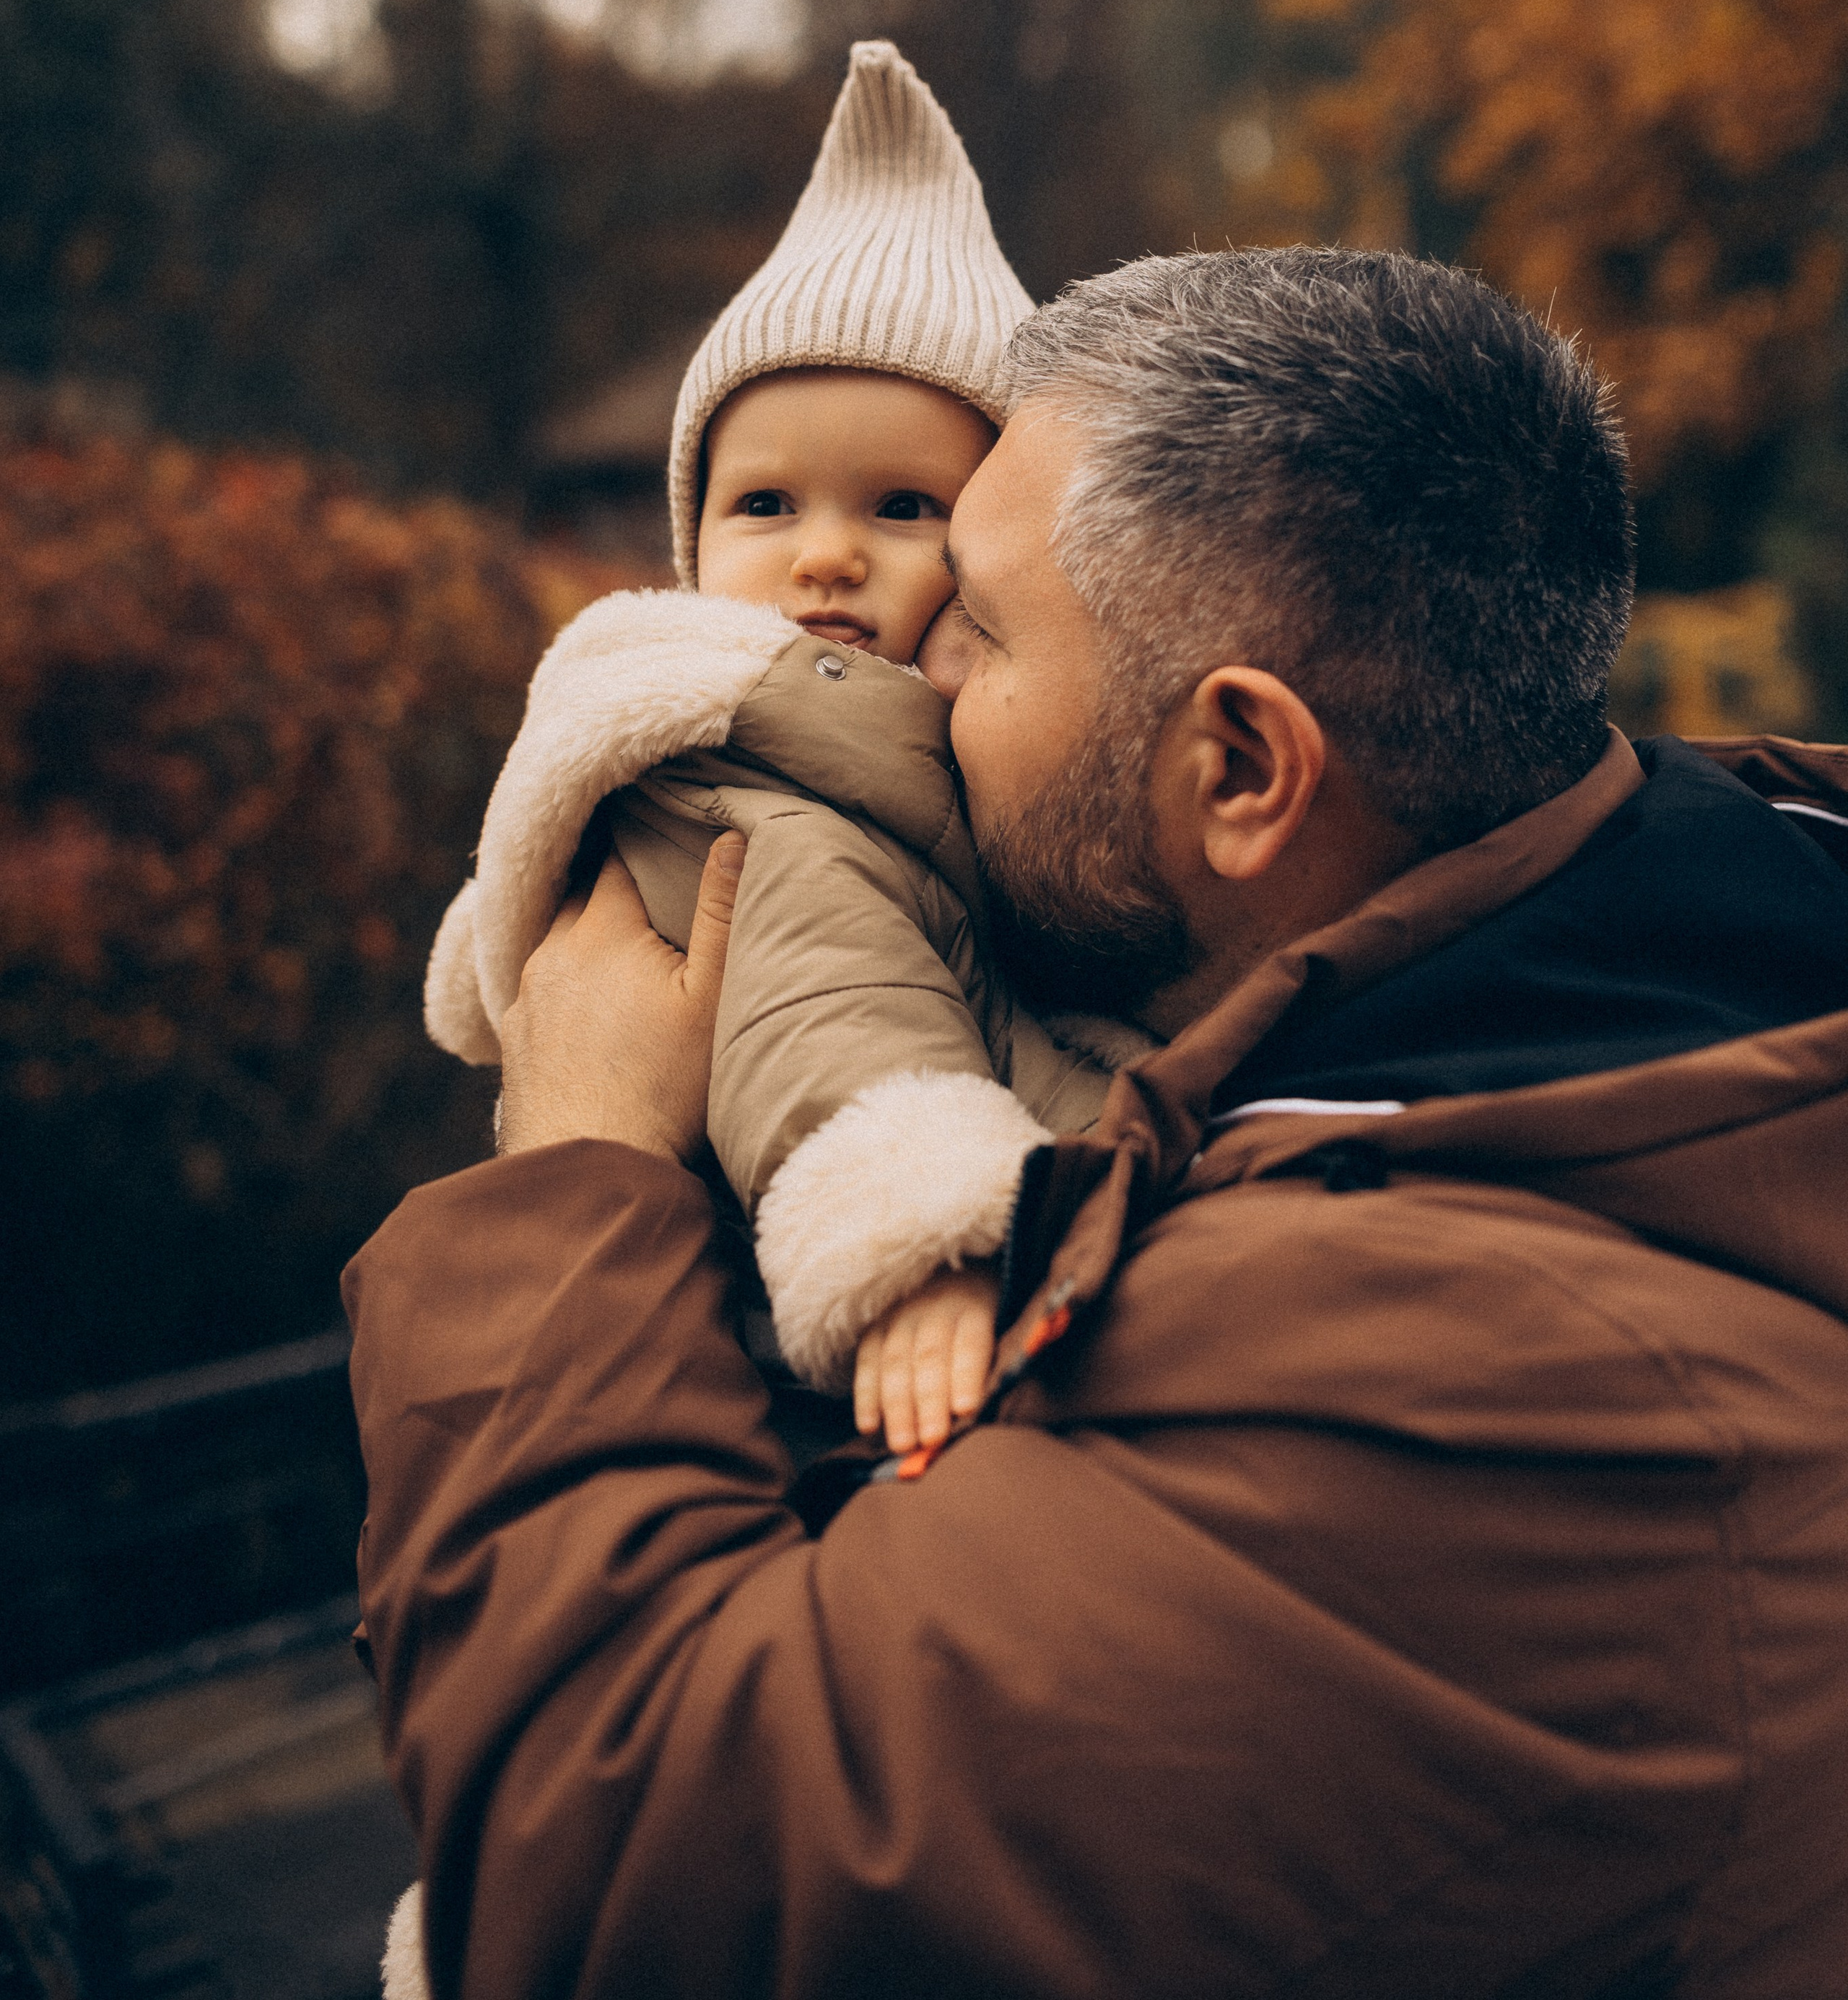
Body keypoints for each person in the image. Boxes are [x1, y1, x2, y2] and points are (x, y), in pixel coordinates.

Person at [351, 245, 1848, 2000]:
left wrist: (577, 1162)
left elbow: (625, 1874)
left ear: (1236, 772)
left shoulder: (1441, 1377)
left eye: (972, 623)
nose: (897, 647)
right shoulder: (1717, 942)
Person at [424, 38, 1118, 1427]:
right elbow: (829, 1002)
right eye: (765, 506)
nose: (825, 559)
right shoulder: (759, 787)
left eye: (902, 507)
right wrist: (917, 1243)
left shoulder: (892, 757)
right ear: (691, 541)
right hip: (782, 1333)